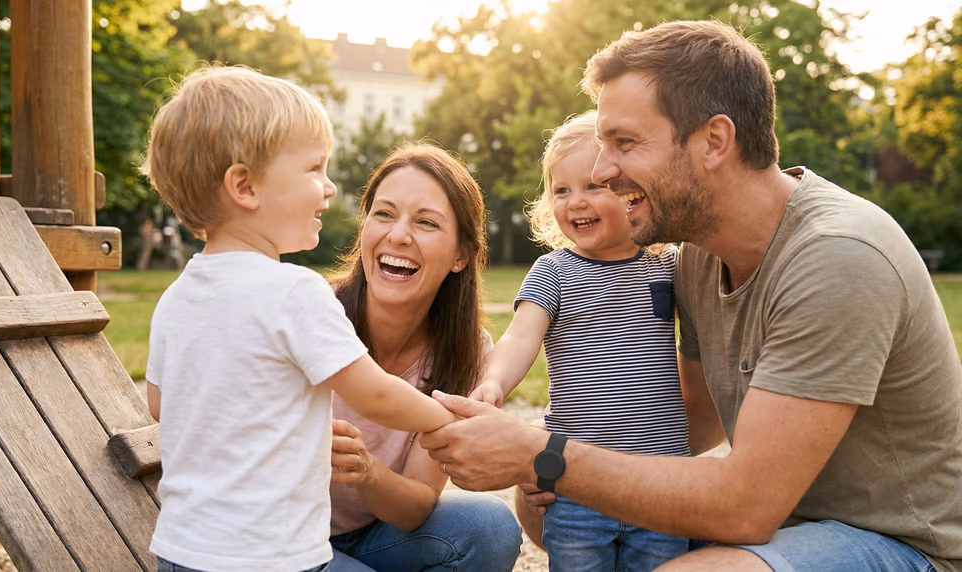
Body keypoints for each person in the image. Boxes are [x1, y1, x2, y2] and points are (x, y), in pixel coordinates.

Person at [420, 20, 962, 572]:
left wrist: (543, 454)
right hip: (784, 526)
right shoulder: (700, 257)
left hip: (896, 544)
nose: (603, 171)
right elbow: (691, 427)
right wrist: (555, 466)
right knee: (554, 517)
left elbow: (745, 506)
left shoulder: (837, 257)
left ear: (714, 141)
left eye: (624, 143)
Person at [141, 66, 457, 572]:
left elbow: (160, 403)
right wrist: (450, 420)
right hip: (271, 555)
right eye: (314, 170)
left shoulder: (177, 297)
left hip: (182, 549)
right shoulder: (295, 291)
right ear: (245, 186)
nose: (329, 188)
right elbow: (373, 393)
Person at [469, 111, 708, 571]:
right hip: (575, 485)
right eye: (562, 190)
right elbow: (522, 335)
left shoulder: (668, 265)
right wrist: (494, 381)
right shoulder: (555, 272)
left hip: (660, 480)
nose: (576, 201)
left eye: (594, 186)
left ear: (634, 191)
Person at [325, 144, 522, 572]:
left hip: (374, 534)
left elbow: (415, 506)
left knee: (490, 528)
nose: (398, 235)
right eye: (383, 214)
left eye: (426, 222)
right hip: (283, 536)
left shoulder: (468, 352)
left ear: (460, 257)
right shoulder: (315, 310)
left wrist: (366, 471)